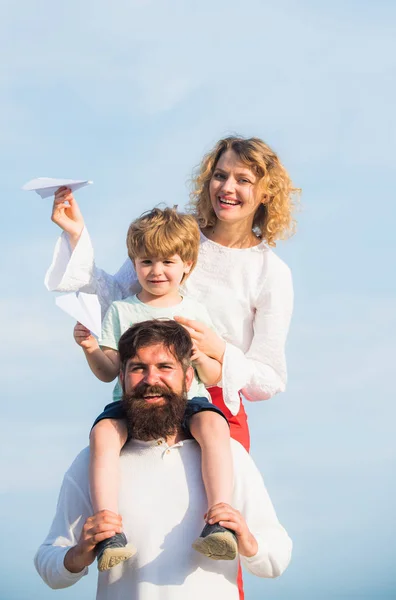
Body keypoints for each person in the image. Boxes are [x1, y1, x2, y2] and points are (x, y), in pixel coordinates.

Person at [46, 135, 299, 453]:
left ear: (267, 193)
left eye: (243, 180)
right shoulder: (178, 235)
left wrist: (218, 350)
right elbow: (118, 297)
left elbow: (270, 376)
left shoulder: (272, 272)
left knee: (231, 497)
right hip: (147, 394)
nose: (227, 188)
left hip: (214, 404)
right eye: (220, 175)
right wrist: (75, 236)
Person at [34, 320, 292, 600]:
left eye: (165, 367)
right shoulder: (94, 461)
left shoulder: (227, 455)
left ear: (188, 379)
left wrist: (248, 541)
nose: (151, 379)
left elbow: (277, 558)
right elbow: (49, 564)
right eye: (138, 368)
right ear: (122, 378)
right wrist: (77, 555)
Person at [76, 207, 236, 571]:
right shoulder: (120, 311)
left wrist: (201, 355)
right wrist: (89, 349)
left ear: (188, 265)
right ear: (133, 264)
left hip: (185, 401)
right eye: (146, 261)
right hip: (130, 404)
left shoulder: (196, 312)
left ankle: (220, 518)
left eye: (167, 261)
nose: (156, 271)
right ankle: (108, 529)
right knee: (102, 433)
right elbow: (108, 373)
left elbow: (210, 377)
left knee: (215, 426)